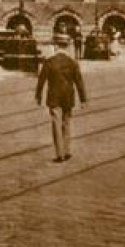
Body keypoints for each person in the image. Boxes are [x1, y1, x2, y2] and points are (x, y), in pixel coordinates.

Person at [35, 31, 87, 163]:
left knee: (56, 124)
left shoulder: (50, 62)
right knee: (67, 123)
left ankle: (59, 154)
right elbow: (79, 82)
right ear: (68, 46)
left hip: (54, 97)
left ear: (56, 45)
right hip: (68, 96)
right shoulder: (73, 62)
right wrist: (83, 99)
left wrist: (38, 96)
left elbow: (41, 80)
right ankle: (67, 151)